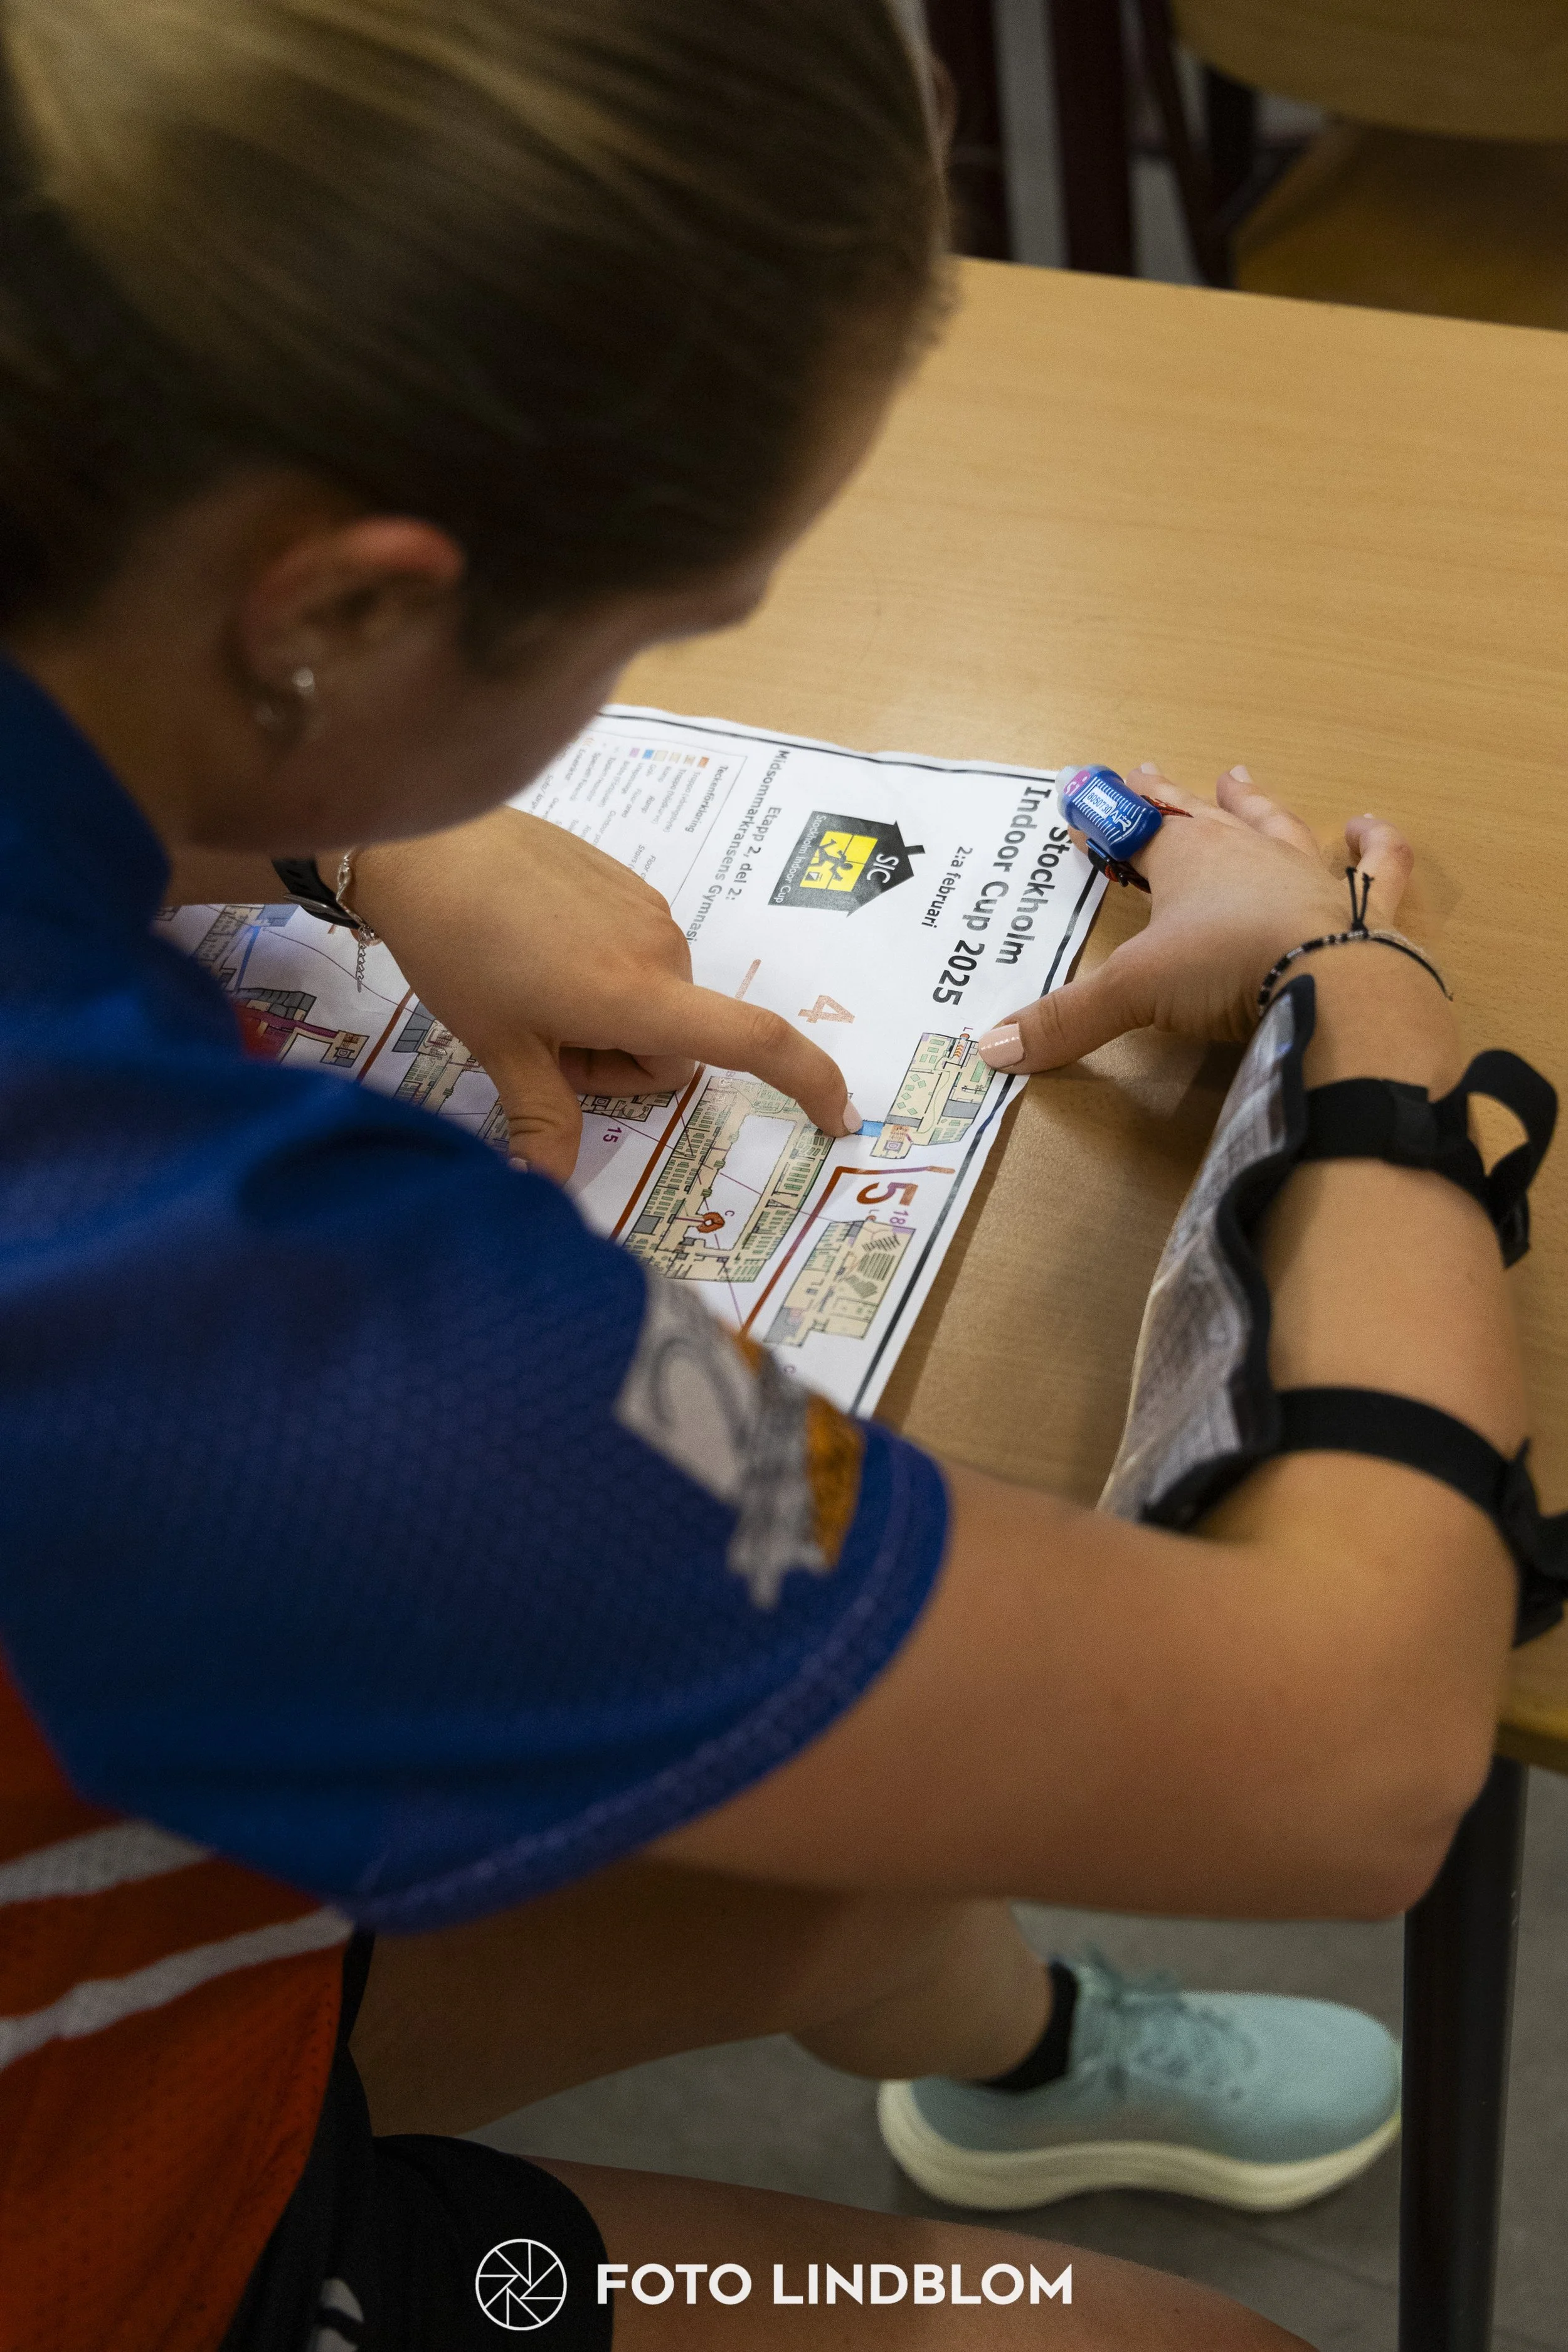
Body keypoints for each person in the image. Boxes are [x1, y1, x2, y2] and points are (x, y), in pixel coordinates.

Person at [0, 4, 1535, 2350]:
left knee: (839, 1835)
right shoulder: (267, 1310)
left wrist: (344, 825)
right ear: (329, 609)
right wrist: (1363, 997)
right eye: (654, 627)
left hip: (105, 1931)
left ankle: (1016, 2058)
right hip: (122, 2237)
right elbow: (1346, 1753)